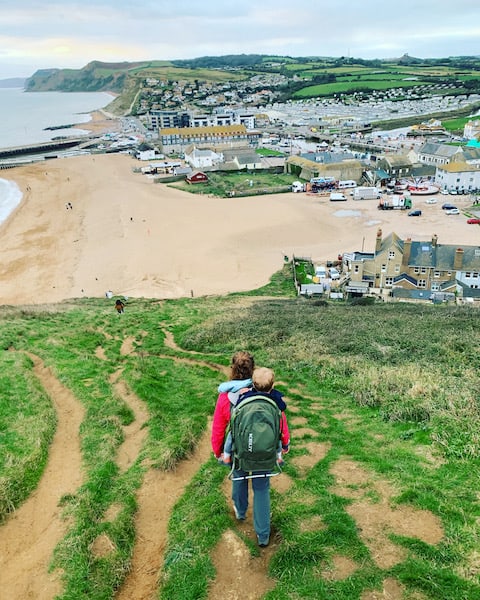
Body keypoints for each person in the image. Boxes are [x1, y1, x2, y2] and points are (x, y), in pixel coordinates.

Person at [211, 353, 288, 547]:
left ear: (232, 368)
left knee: (239, 478)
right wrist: (284, 445)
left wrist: (218, 450)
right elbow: (281, 423)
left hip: (240, 451)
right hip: (264, 452)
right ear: (253, 370)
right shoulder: (268, 395)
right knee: (262, 489)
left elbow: (219, 428)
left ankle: (240, 511)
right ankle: (263, 536)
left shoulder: (226, 397)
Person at [221, 367, 290, 467]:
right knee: (277, 434)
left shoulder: (247, 395)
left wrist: (243, 394)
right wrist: (285, 445)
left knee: (232, 434)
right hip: (268, 431)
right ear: (273, 385)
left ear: (253, 384)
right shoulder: (275, 398)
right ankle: (278, 457)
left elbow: (237, 407)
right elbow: (283, 407)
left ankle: (227, 455)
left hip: (247, 432)